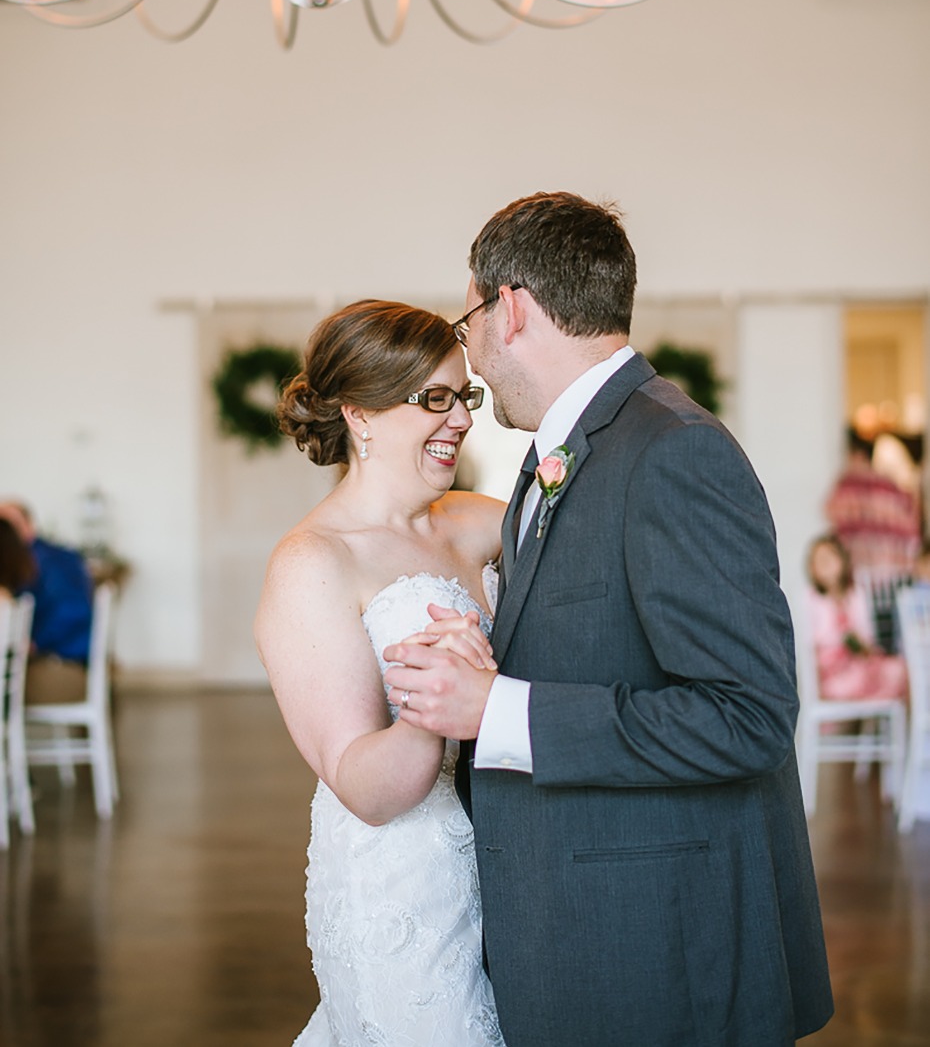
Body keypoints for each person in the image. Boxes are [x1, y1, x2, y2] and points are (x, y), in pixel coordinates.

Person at [383, 191, 835, 1047]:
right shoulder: (575, 447)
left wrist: (498, 710)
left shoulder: (671, 449)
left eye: (470, 317)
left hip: (658, 949)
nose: (470, 352)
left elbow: (750, 716)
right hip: (582, 925)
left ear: (510, 308)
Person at [253, 300, 507, 1047]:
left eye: (466, 396)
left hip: (505, 858)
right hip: (402, 886)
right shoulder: (313, 562)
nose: (459, 418)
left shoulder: (474, 520)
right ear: (360, 414)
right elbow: (363, 787)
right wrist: (436, 701)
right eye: (434, 398)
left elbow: (584, 519)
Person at [0, 500, 94, 703]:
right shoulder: (61, 554)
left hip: (63, 663)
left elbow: (69, 613)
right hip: (73, 660)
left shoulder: (37, 564)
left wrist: (35, 643)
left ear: (28, 525)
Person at [807, 533, 908, 701]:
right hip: (832, 673)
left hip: (860, 662)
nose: (824, 563)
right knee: (867, 679)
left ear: (843, 560)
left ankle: (876, 722)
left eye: (829, 556)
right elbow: (813, 640)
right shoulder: (812, 598)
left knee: (898, 670)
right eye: (818, 559)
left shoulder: (856, 595)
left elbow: (867, 636)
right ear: (812, 568)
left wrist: (860, 645)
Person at [825, 428, 921, 572]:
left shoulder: (849, 484)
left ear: (857, 455)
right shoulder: (891, 486)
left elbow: (831, 513)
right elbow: (912, 526)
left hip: (859, 567)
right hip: (894, 568)